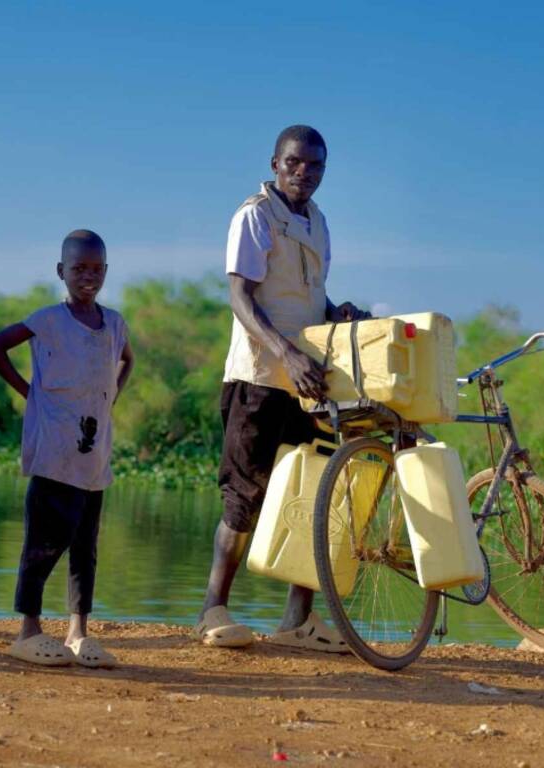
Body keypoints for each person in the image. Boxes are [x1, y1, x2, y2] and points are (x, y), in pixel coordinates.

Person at [194, 125, 368, 652]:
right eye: (294, 163)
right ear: (275, 164)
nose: (304, 173)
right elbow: (242, 298)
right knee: (244, 492)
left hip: (310, 381)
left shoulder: (318, 222)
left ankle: (297, 621)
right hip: (260, 376)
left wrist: (333, 312)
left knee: (313, 491)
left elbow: (306, 296)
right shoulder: (254, 216)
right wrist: (286, 351)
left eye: (315, 166)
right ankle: (212, 611)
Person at [0, 230, 134, 668]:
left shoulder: (114, 323)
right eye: (78, 269)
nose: (87, 277)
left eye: (95, 269)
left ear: (105, 272)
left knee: (85, 545)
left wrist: (111, 395)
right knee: (44, 541)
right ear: (60, 272)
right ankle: (28, 630)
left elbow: (128, 360)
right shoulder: (48, 319)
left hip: (94, 453)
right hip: (54, 449)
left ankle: (78, 632)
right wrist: (32, 394)